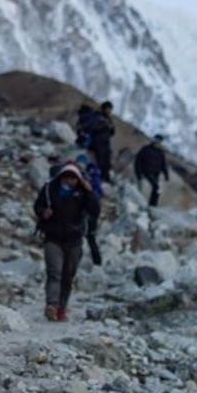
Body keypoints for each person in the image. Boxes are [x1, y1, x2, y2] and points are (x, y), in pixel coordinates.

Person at [33, 164, 101, 322]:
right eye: (66, 177)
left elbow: (95, 211)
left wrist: (90, 192)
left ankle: (62, 309)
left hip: (74, 240)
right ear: (60, 177)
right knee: (54, 272)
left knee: (68, 276)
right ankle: (52, 305)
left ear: (78, 179)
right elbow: (37, 206)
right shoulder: (50, 189)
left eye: (73, 178)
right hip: (52, 238)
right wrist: (43, 212)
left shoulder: (83, 193)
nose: (69, 181)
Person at [134, 135, 170, 206]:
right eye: (155, 140)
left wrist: (166, 174)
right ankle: (150, 205)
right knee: (156, 187)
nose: (156, 142)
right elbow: (138, 161)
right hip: (146, 172)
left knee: (157, 189)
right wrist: (138, 173)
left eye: (159, 141)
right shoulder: (146, 149)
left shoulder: (161, 153)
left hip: (156, 173)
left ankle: (152, 205)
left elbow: (163, 164)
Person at [87, 101, 116, 183]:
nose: (109, 111)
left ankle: (106, 177)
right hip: (96, 141)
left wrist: (111, 127)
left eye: (110, 109)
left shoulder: (109, 119)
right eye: (108, 109)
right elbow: (92, 127)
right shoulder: (96, 115)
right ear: (104, 108)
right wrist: (103, 124)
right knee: (100, 158)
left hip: (105, 142)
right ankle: (98, 176)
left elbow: (112, 133)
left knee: (108, 160)